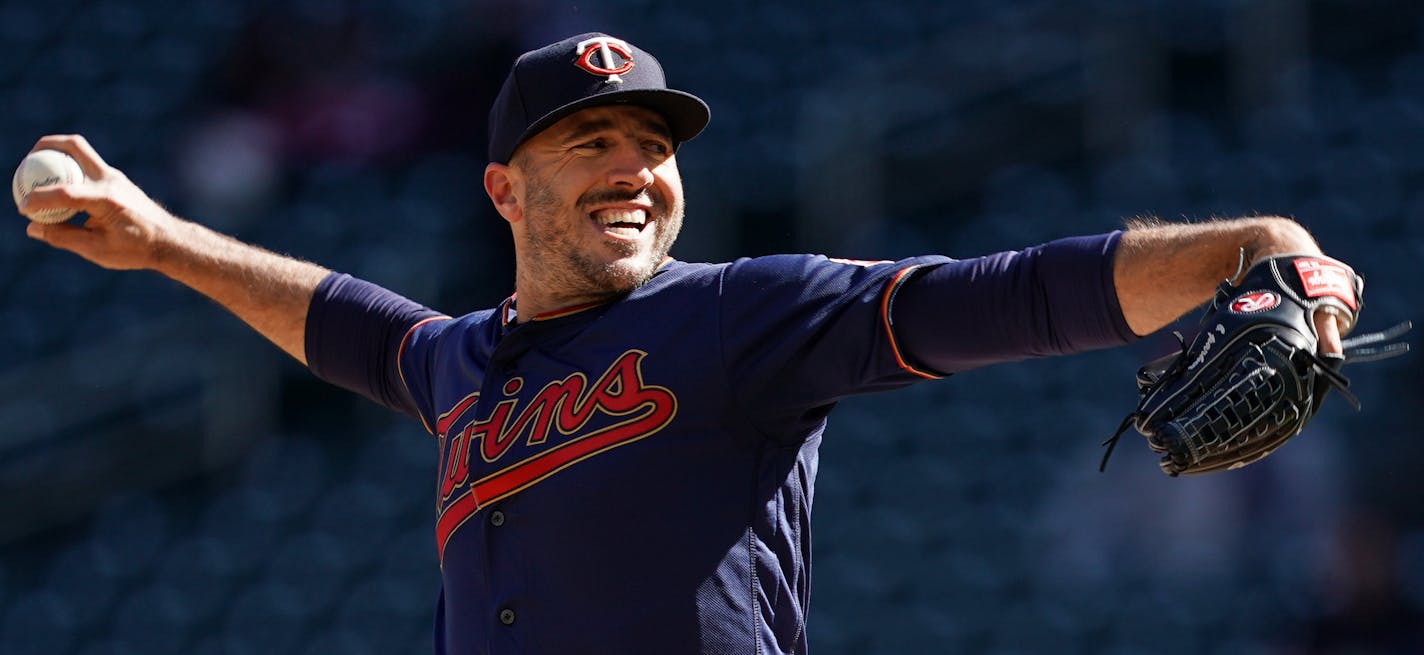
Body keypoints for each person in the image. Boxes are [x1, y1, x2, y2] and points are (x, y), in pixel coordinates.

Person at [21, 32, 1351, 655]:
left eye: (654, 148)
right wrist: (158, 240)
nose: (636, 170)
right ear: (504, 192)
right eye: (592, 143)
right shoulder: (456, 363)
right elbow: (341, 322)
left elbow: (1007, 292)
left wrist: (1258, 248)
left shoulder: (742, 313)